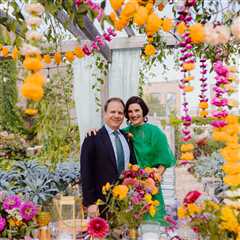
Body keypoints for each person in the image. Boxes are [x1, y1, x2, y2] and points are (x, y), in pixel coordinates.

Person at [123, 96, 176, 225]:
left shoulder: (155, 132)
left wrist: (153, 179)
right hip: (130, 186)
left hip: (151, 185)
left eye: (137, 110)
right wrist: (95, 131)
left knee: (153, 224)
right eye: (130, 111)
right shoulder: (124, 133)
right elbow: (108, 137)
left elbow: (164, 159)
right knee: (131, 224)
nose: (134, 114)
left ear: (144, 111)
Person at [80, 97, 136, 217]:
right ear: (105, 114)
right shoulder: (92, 138)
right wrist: (90, 203)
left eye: (120, 112)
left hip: (125, 203)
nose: (116, 115)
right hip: (101, 204)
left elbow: (132, 167)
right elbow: (86, 172)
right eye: (112, 112)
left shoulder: (127, 137)